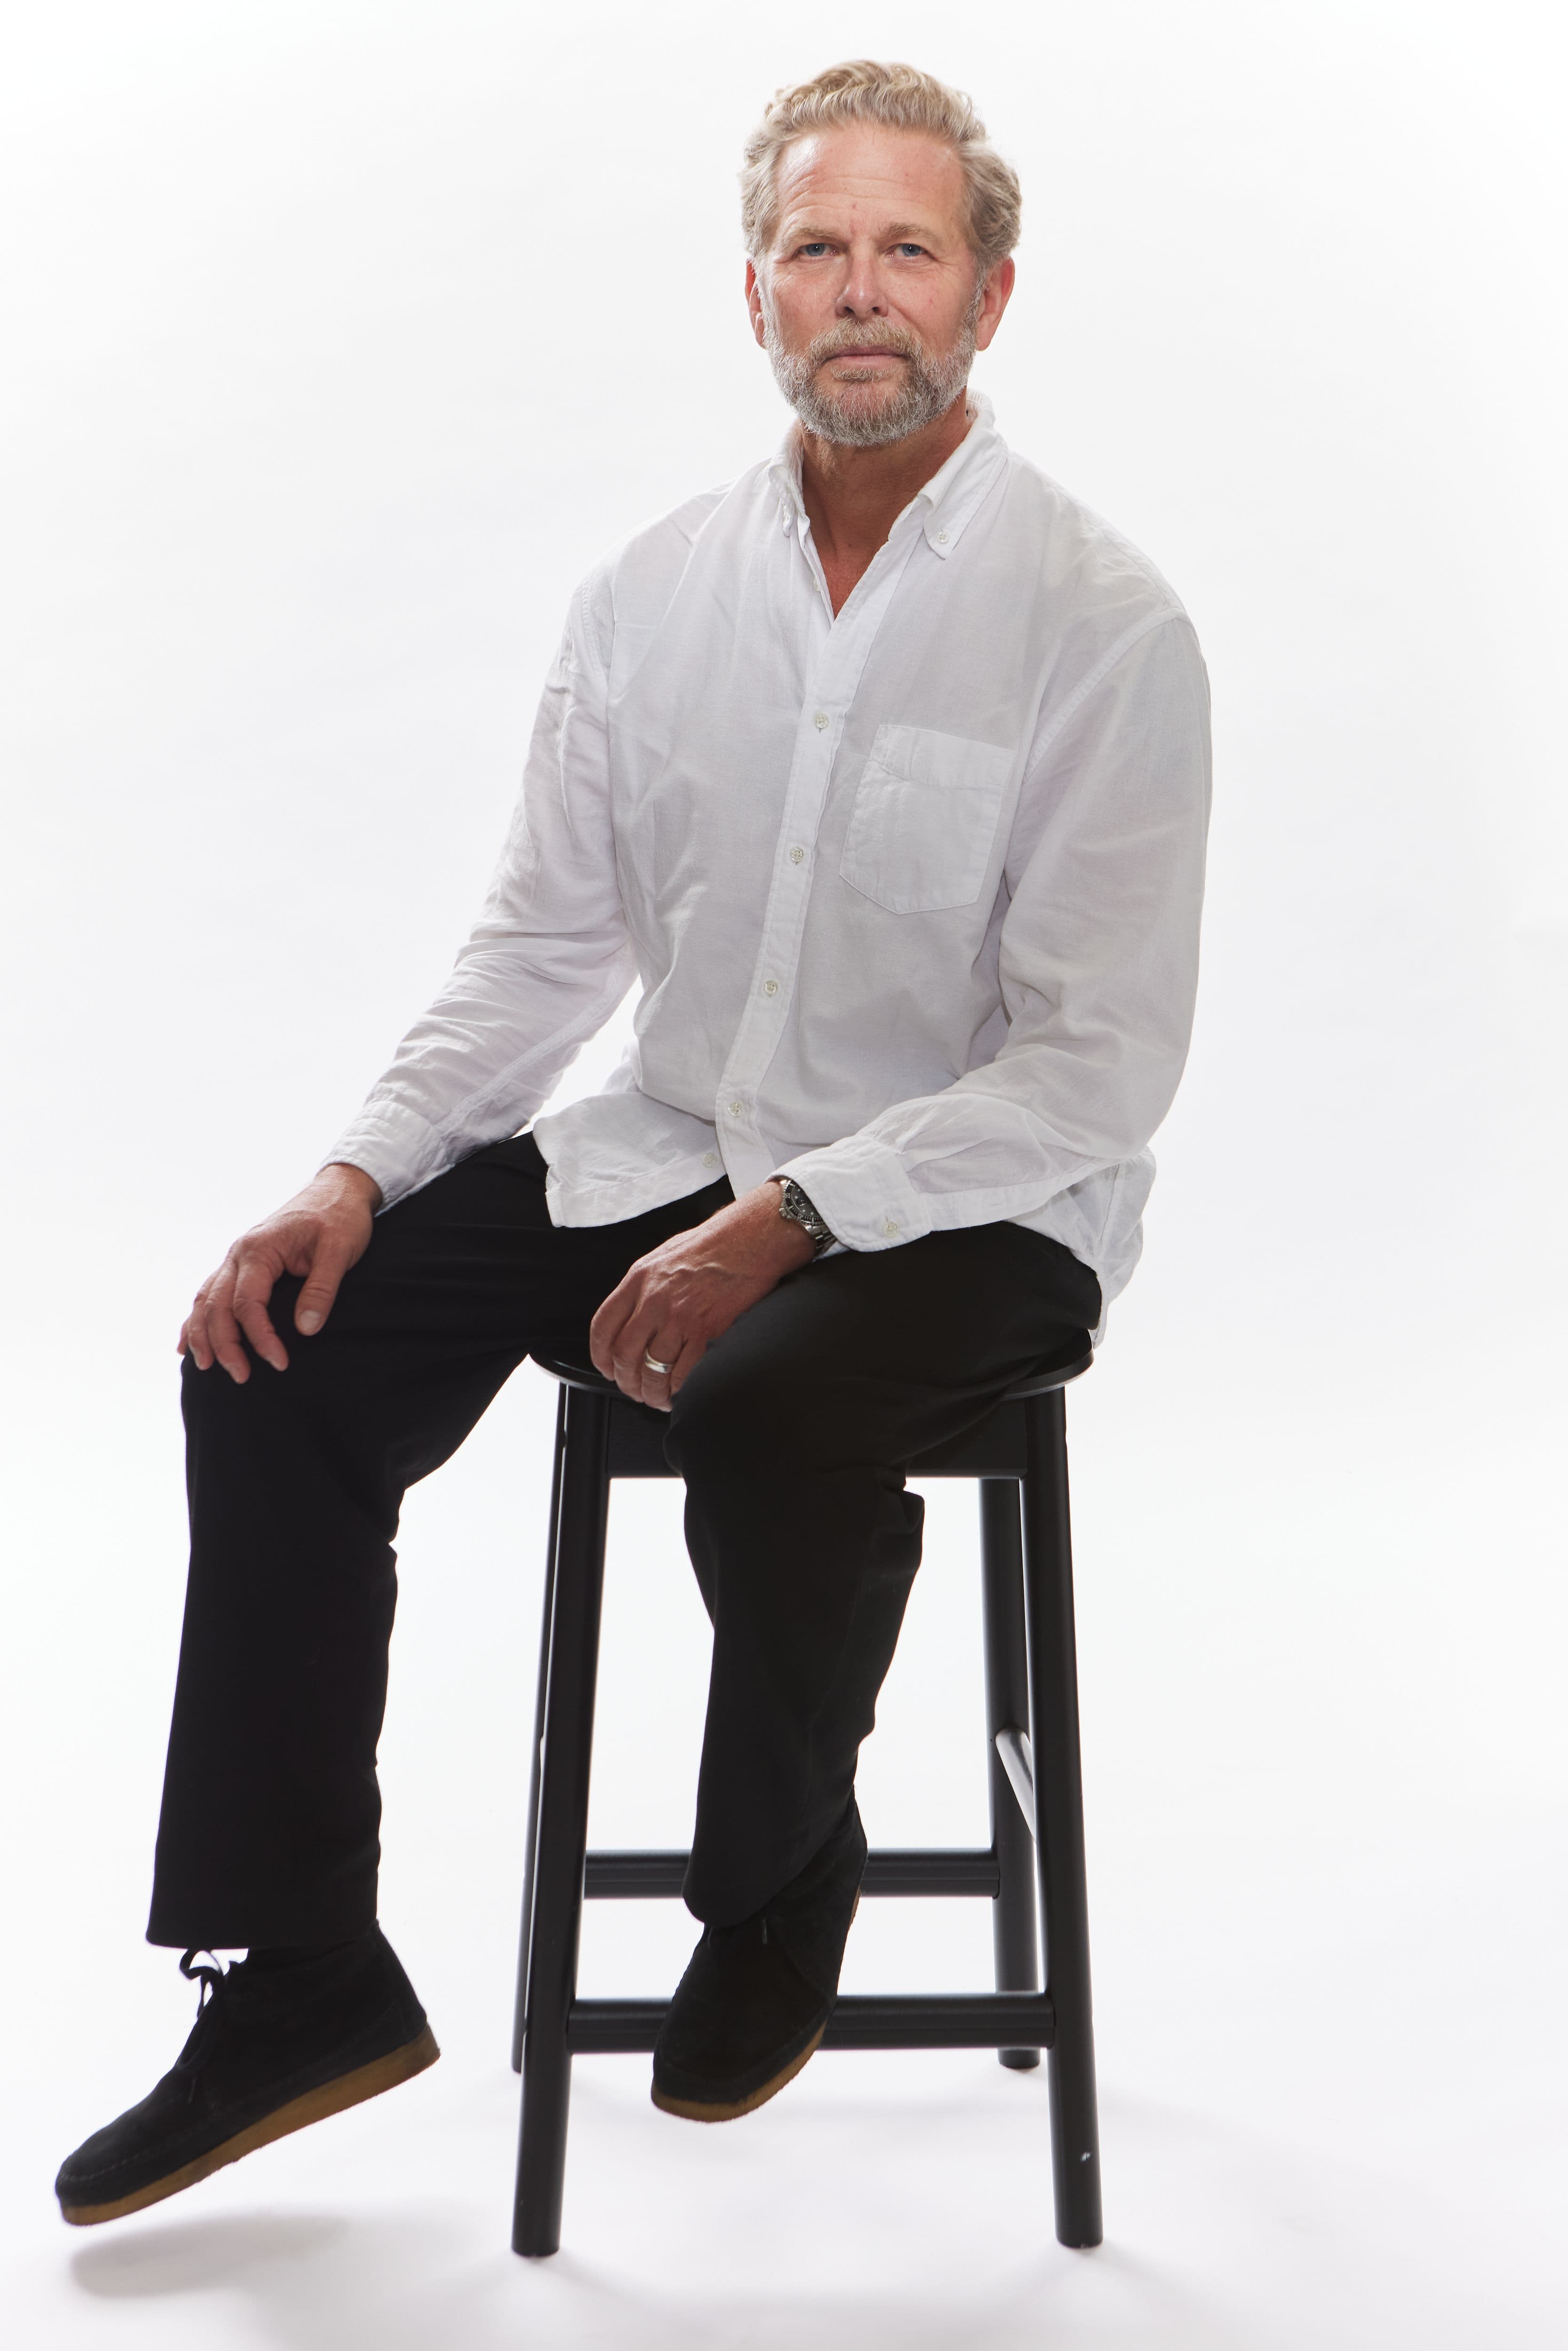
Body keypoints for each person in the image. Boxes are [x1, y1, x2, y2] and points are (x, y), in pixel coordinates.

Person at [55, 58, 1211, 2226]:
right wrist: (355, 1173)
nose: (858, 290)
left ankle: (777, 1879)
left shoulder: (1101, 619)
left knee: (771, 1391)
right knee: (279, 1349)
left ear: (989, 294)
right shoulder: (652, 593)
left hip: (983, 1195)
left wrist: (791, 1222)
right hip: (681, 1140)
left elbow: (1093, 1062)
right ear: (754, 291)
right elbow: (542, 947)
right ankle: (295, 1971)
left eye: (908, 249)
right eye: (815, 248)